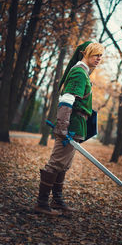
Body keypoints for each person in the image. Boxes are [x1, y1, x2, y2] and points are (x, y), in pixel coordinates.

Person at [34, 41, 104, 215]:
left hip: (76, 126)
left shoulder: (84, 74)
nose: (99, 58)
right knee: (56, 163)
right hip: (70, 126)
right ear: (83, 53)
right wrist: (63, 127)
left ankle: (57, 201)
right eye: (96, 54)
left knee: (63, 165)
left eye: (100, 56)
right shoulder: (79, 72)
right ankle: (41, 204)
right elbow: (67, 99)